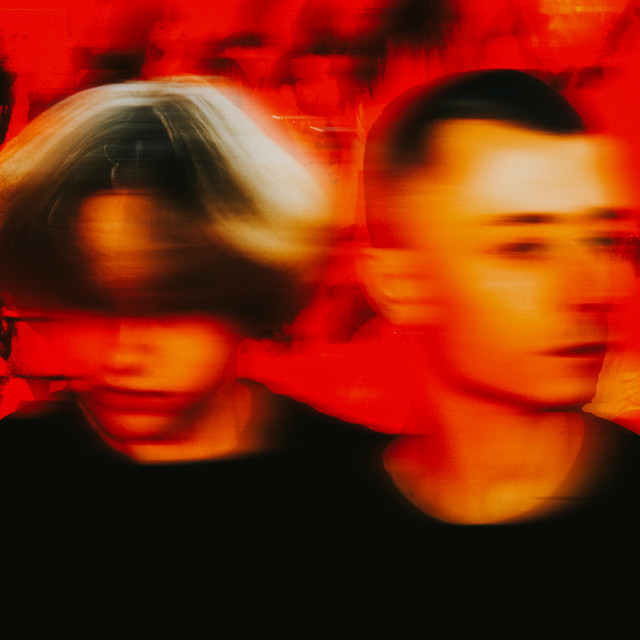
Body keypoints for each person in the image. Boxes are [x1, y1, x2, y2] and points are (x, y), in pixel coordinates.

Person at [0, 78, 380, 636]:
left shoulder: (359, 495)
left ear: (243, 289)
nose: (125, 348)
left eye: (171, 304)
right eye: (93, 301)